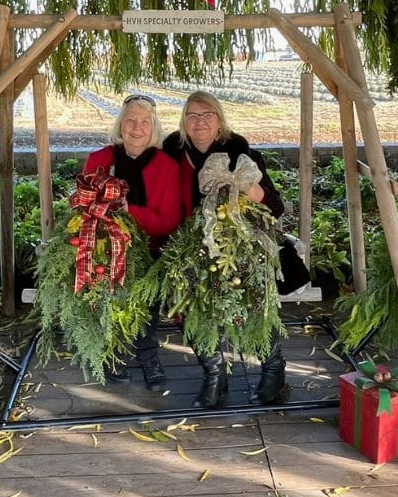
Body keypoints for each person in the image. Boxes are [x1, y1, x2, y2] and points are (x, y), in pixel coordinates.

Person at [162, 90, 287, 408]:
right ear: (184, 122)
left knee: (253, 300)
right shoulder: (172, 156)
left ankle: (273, 370)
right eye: (192, 115)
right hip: (192, 246)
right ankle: (215, 376)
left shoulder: (242, 156)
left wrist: (252, 190)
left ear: (219, 121)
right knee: (187, 300)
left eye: (207, 115)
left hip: (240, 245)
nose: (199, 121)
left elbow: (276, 207)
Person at [83, 94, 182, 391]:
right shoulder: (100, 159)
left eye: (144, 122)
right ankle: (113, 353)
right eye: (130, 120)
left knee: (146, 296)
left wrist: (129, 212)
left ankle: (148, 355)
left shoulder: (166, 166)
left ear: (153, 128)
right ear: (120, 125)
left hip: (150, 248)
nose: (137, 128)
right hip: (103, 247)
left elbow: (168, 220)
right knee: (107, 293)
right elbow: (83, 204)